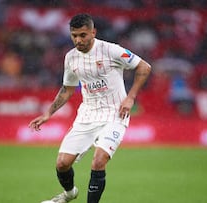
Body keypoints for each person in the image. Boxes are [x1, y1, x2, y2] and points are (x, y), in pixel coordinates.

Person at [29, 13, 152, 203]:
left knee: (99, 160)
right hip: (87, 115)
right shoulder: (71, 58)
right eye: (74, 35)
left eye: (83, 35)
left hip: (115, 113)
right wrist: (48, 114)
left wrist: (130, 97)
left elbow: (144, 67)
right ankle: (69, 194)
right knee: (62, 164)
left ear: (93, 32)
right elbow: (67, 89)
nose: (78, 40)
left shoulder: (112, 50)